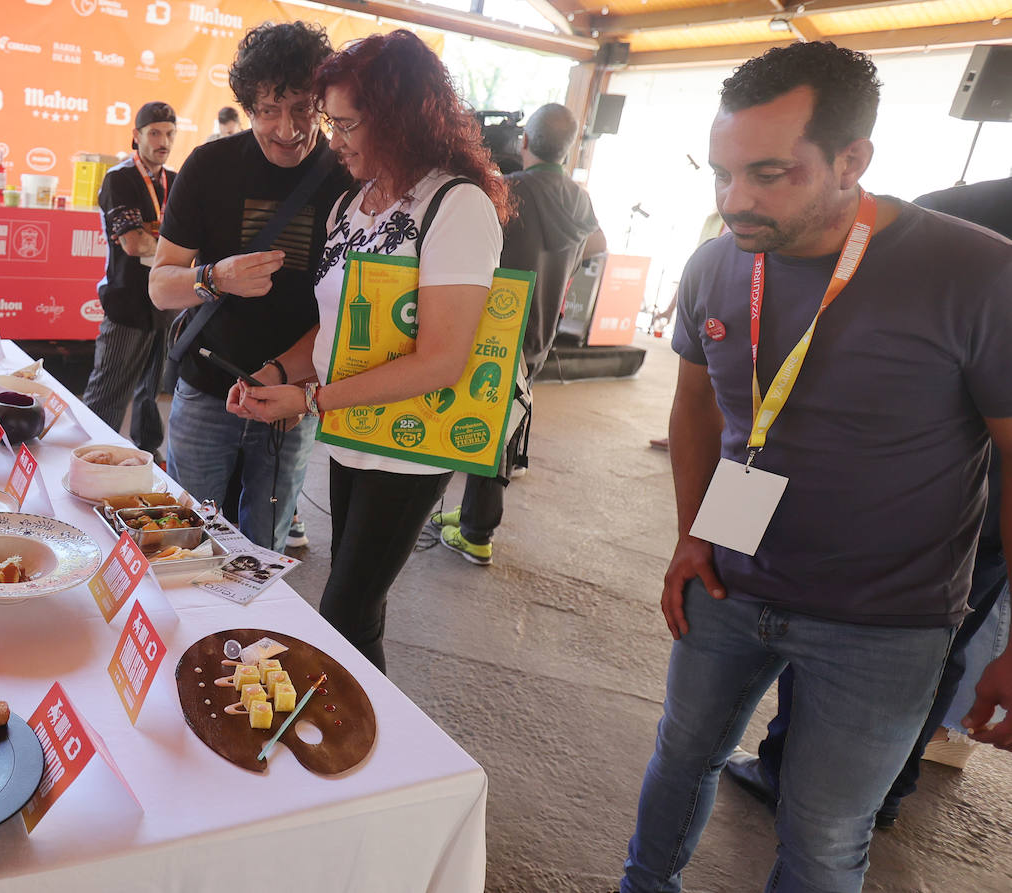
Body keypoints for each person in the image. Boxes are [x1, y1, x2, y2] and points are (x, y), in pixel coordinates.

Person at [621, 42, 1012, 893]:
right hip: (728, 580)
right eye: (722, 174)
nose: (736, 201)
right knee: (679, 757)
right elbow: (694, 408)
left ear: (853, 159)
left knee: (827, 831)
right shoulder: (716, 262)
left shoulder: (978, 273)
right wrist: (692, 537)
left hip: (886, 622)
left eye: (769, 174)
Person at [723, 174, 1012, 826]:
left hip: (910, 507)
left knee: (845, 622)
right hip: (957, 513)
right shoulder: (950, 225)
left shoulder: (956, 222)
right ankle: (881, 783)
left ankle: (808, 775)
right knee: (941, 637)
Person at [232, 30, 510, 671]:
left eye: (349, 123)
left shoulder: (455, 204)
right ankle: (363, 746)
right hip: (353, 427)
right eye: (334, 121)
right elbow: (331, 330)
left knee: (346, 609)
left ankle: (352, 748)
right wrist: (276, 371)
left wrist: (308, 399)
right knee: (358, 611)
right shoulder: (352, 206)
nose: (335, 139)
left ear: (403, 118)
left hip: (412, 440)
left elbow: (443, 359)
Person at [149, 22, 351, 551]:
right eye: (269, 110)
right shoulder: (210, 167)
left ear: (324, 105)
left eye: (304, 109)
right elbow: (161, 287)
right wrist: (217, 278)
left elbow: (347, 311)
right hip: (204, 392)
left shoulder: (347, 179)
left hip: (291, 401)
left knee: (265, 550)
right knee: (181, 540)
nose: (287, 129)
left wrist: (288, 380)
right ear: (247, 106)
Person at [431, 102, 604, 566]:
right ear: (567, 151)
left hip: (495, 326)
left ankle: (476, 533)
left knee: (482, 424)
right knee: (501, 422)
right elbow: (598, 246)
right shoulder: (580, 198)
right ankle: (471, 518)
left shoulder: (505, 191)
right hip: (541, 330)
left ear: (524, 142)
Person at [80, 101, 178, 461]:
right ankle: (88, 455)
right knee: (109, 389)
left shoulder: (176, 181)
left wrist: (159, 245)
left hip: (165, 302)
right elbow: (134, 243)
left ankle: (146, 456)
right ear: (136, 137)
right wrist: (172, 249)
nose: (162, 140)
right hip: (127, 302)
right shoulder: (119, 178)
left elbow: (186, 246)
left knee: (152, 390)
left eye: (169, 133)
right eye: (154, 133)